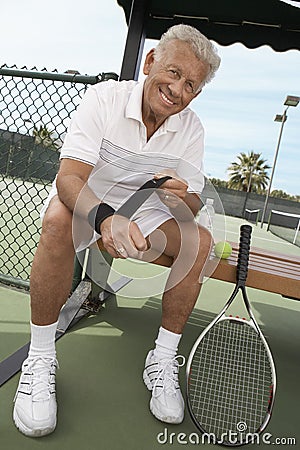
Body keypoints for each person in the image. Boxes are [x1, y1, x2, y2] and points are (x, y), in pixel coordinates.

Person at [13, 24, 220, 437]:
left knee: (201, 242)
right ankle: (39, 357)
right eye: (174, 73)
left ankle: (162, 359)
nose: (178, 89)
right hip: (90, 196)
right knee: (56, 221)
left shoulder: (191, 128)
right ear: (149, 63)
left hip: (147, 208)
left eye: (191, 84)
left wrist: (181, 198)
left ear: (196, 95)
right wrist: (107, 220)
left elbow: (192, 202)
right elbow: (69, 178)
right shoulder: (103, 99)